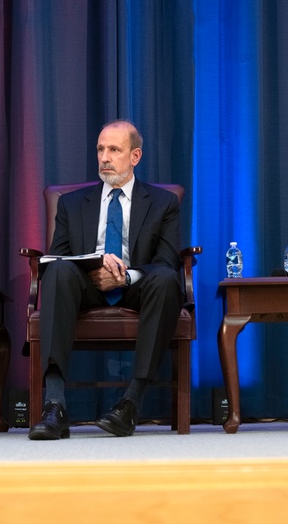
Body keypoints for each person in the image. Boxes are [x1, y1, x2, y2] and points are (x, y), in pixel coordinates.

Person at [28, 119, 184, 440]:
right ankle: (55, 405)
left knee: (168, 280)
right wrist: (93, 270)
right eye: (100, 149)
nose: (104, 157)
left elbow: (166, 261)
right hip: (87, 285)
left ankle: (130, 403)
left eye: (114, 149)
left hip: (137, 286)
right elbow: (57, 258)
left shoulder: (162, 202)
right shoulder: (71, 203)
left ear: (135, 156)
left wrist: (125, 278)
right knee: (56, 271)